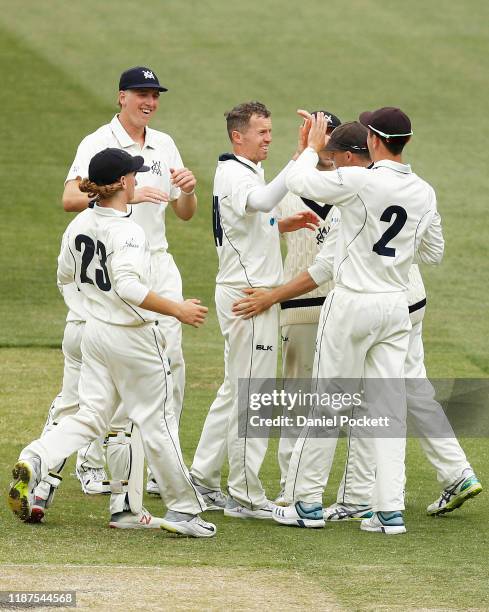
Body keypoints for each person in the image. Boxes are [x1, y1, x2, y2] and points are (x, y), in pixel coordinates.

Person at [236, 121, 481, 523]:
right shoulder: (424, 191)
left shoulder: (357, 182)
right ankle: (389, 512)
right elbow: (433, 253)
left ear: (372, 140)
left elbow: (300, 182)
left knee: (330, 401)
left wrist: (312, 147)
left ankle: (306, 503)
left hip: (352, 304)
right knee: (390, 406)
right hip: (395, 306)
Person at [8, 148, 216, 538]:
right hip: (132, 338)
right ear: (122, 182)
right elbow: (130, 287)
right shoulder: (129, 230)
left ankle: (36, 457)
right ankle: (185, 510)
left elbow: (65, 276)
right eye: (133, 174)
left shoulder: (79, 224)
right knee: (156, 422)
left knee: (89, 416)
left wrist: (89, 308)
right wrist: (177, 309)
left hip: (94, 333)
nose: (137, 179)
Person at [33, 66, 195, 511]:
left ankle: (151, 476)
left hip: (156, 264)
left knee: (167, 369)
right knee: (87, 385)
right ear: (121, 96)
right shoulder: (97, 142)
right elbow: (70, 199)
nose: (149, 101)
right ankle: (68, 471)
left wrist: (188, 190)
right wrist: (120, 196)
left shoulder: (164, 144)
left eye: (155, 95)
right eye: (141, 93)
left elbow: (184, 215)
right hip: (113, 270)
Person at [190, 102, 319, 518]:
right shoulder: (234, 173)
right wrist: (302, 160)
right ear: (237, 136)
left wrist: (281, 226)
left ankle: (203, 478)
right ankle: (245, 496)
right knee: (255, 396)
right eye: (261, 132)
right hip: (250, 295)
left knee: (234, 390)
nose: (268, 138)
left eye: (270, 130)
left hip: (242, 289)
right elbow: (262, 201)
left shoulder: (242, 170)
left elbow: (246, 221)